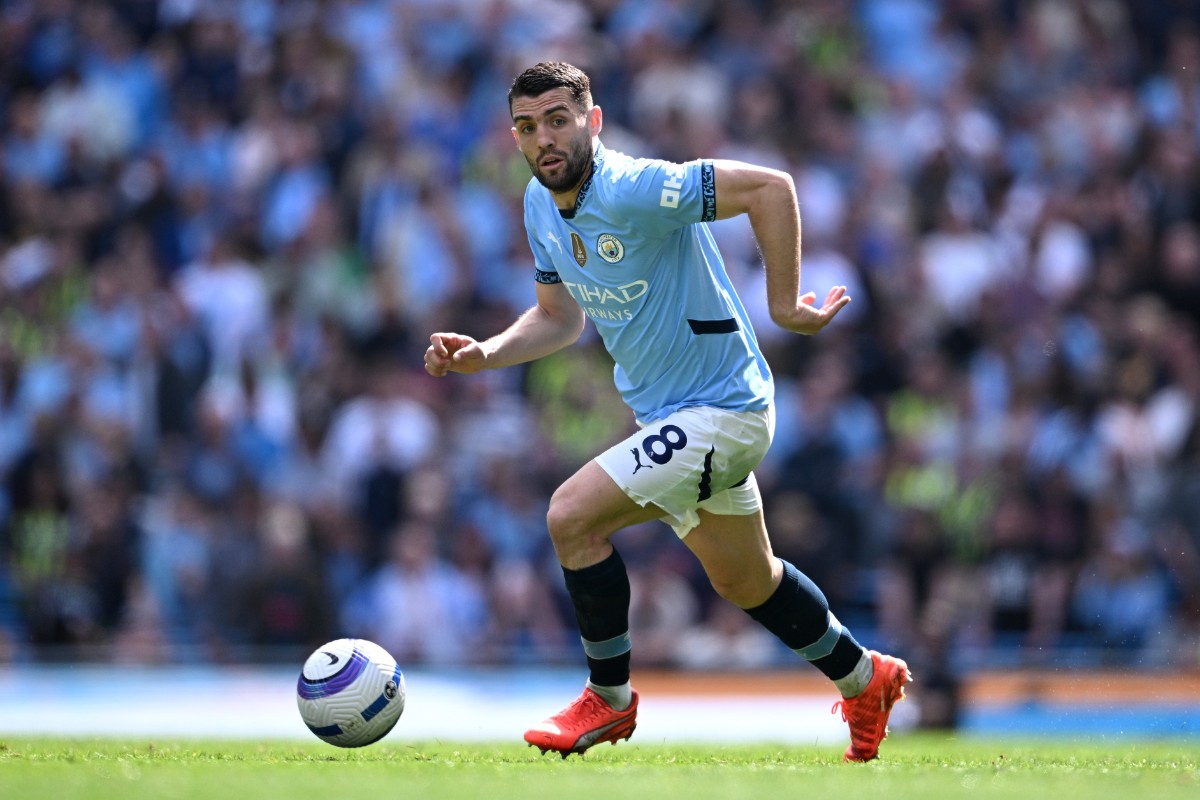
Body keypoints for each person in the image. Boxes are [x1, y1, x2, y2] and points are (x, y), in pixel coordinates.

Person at [425, 61, 910, 762]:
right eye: (528, 128)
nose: (544, 140)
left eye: (559, 120)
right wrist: (484, 354)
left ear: (592, 122)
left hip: (724, 411)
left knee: (570, 516)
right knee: (747, 580)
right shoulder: (539, 202)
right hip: (674, 423)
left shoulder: (635, 187)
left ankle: (610, 701)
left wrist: (783, 308)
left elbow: (771, 189)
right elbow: (559, 320)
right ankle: (866, 678)